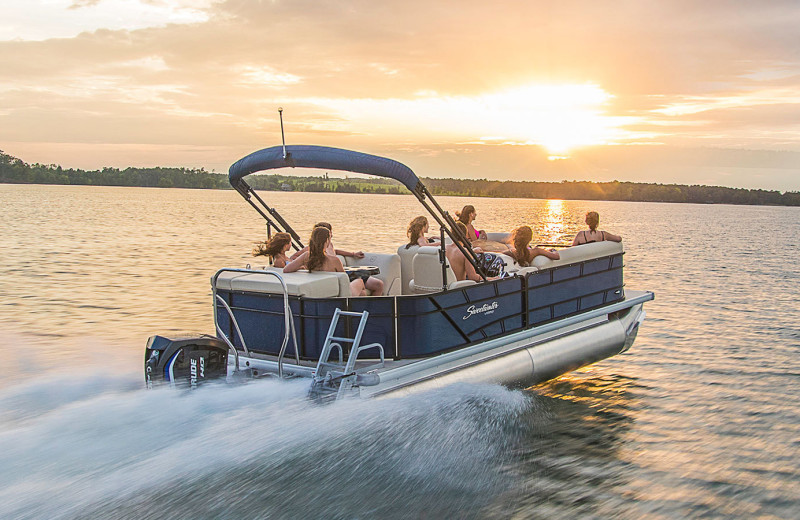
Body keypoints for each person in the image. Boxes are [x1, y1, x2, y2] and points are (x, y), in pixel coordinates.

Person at [288, 223, 384, 296]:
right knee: (360, 282)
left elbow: (286, 269)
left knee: (363, 292)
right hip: (339, 291)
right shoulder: (334, 261)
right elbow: (344, 280)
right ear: (327, 240)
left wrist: (301, 268)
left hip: (322, 288)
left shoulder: (306, 256)